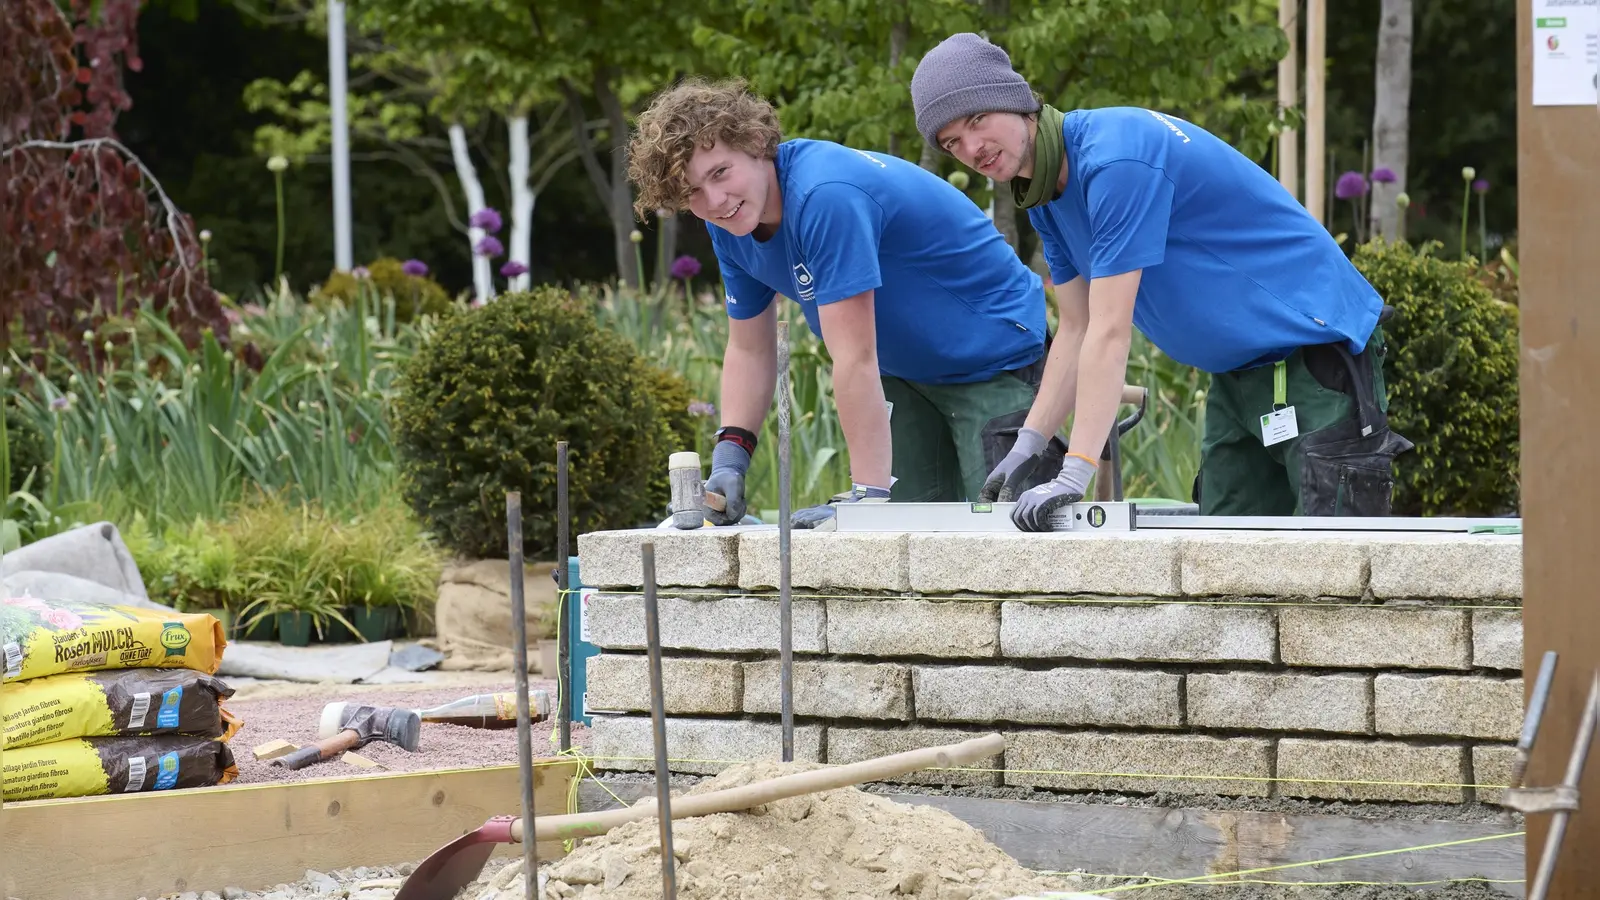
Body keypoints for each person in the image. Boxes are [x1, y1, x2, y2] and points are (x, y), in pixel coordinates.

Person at [909, 33, 1411, 531]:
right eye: (952, 142)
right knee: (1224, 573)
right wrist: (1027, 446)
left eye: (977, 120)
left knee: (1331, 567)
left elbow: (1109, 331)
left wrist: (1074, 472)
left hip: (1313, 358)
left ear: (1017, 103)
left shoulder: (1116, 159)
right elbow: (1076, 329)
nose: (972, 148)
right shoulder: (1043, 195)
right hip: (1237, 380)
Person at [626, 77, 1066, 529]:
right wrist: (729, 461)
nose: (715, 200)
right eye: (692, 192)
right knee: (901, 546)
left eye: (720, 172)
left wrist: (867, 498)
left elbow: (854, 356)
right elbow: (749, 349)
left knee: (1008, 533)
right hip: (901, 373)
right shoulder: (731, 221)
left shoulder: (823, 195)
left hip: (992, 354)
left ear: (757, 143)